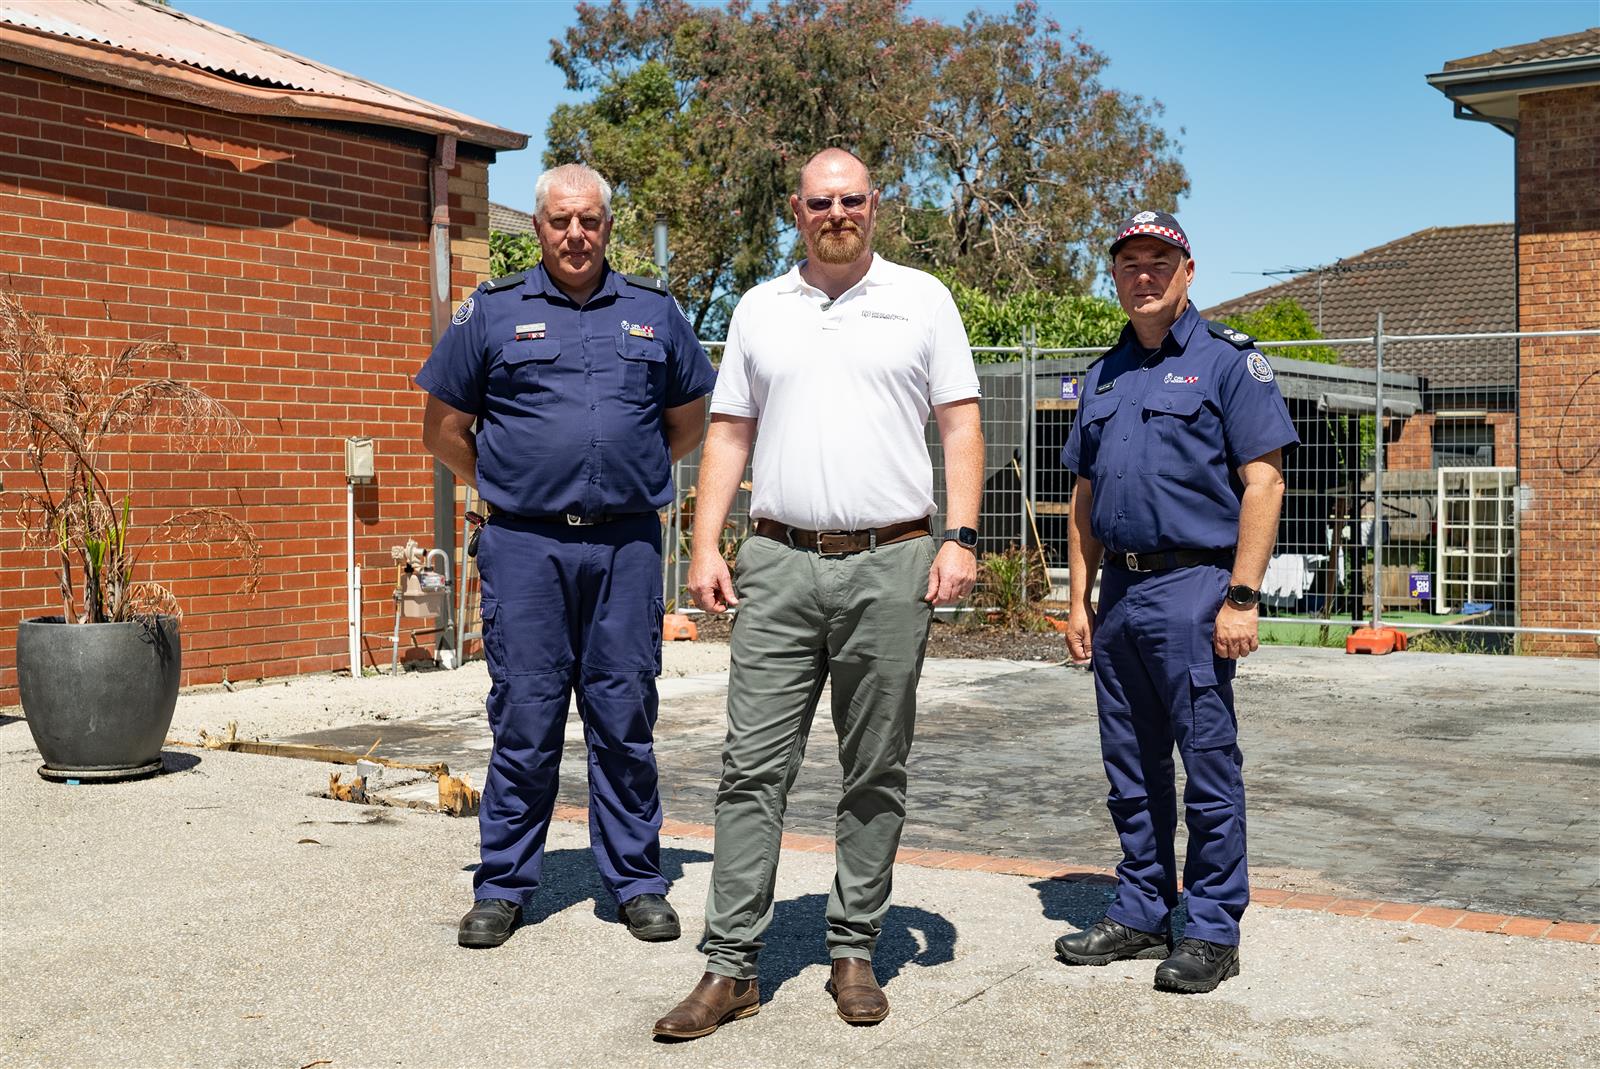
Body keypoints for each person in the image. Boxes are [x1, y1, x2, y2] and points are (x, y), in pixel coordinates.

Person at [652, 148, 984, 1040]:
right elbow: (729, 430)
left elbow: (960, 422)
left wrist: (959, 536)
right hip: (779, 561)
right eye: (819, 201)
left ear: (876, 207)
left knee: (874, 766)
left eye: (851, 199)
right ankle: (730, 967)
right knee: (751, 766)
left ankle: (853, 948)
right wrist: (705, 540)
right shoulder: (761, 308)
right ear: (795, 212)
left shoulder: (923, 299)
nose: (836, 212)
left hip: (892, 561)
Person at [416, 163, 716, 949]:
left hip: (624, 545)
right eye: (559, 221)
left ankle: (638, 881)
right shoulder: (492, 311)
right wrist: (508, 486)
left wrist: (633, 473)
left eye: (589, 220)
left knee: (624, 715)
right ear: (539, 228)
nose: (575, 234)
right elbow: (442, 427)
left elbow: (689, 418)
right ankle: (505, 885)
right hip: (525, 547)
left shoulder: (654, 312)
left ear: (608, 225)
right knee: (526, 715)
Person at [1054, 210, 1297, 993]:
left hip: (1195, 587)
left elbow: (1264, 480)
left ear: (1188, 272)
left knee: (1208, 764)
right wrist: (1080, 597)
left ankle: (1213, 927)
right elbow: (1083, 494)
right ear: (1116, 276)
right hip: (1118, 592)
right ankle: (1140, 907)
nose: (1144, 274)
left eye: (1160, 259)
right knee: (1129, 766)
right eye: (1130, 262)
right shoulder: (1104, 374)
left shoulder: (1228, 362)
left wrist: (1242, 596)